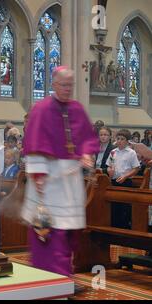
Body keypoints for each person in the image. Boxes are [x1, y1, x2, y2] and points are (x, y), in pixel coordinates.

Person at [21, 66, 100, 278]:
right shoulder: (42, 109)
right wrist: (38, 175)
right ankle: (49, 277)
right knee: (48, 232)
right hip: (48, 182)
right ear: (54, 85)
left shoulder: (77, 109)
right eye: (64, 85)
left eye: (70, 85)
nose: (67, 89)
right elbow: (35, 144)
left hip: (70, 180)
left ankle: (65, 275)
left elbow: (88, 138)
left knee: (68, 232)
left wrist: (86, 153)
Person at [106, 129, 140, 229]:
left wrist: (126, 176)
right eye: (118, 138)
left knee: (124, 207)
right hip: (114, 181)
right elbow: (109, 165)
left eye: (122, 139)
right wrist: (109, 170)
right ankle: (114, 227)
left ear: (127, 141)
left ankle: (124, 227)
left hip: (126, 182)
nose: (119, 141)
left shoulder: (131, 153)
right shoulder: (113, 152)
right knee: (114, 207)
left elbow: (136, 168)